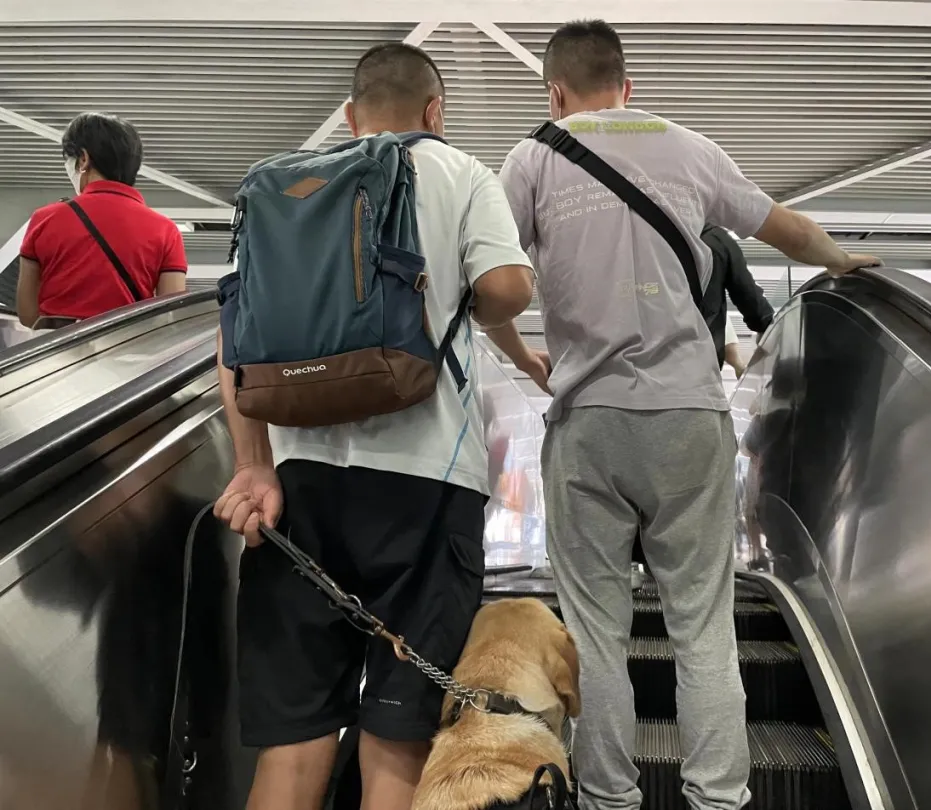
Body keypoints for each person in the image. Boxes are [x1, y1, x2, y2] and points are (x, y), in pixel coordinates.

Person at [490, 20, 880, 810]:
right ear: (627, 86)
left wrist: (524, 358)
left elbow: (491, 282)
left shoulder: (531, 158)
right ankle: (719, 798)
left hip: (588, 419)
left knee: (596, 634)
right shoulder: (688, 147)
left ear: (554, 92)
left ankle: (608, 798)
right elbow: (787, 229)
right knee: (702, 628)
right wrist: (842, 259)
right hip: (689, 419)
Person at [212, 43, 534, 810]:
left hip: (297, 490)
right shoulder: (461, 173)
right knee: (397, 744)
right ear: (436, 111)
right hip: (426, 487)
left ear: (351, 117)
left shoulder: (287, 187)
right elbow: (506, 287)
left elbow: (233, 338)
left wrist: (254, 464)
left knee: (293, 749)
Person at [16, 112, 187, 328]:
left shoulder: (45, 219)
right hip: (129, 344)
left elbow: (27, 313)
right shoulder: (166, 231)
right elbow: (171, 314)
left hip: (58, 345)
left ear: (83, 159)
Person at [699, 223, 774, 376]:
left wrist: (738, 364)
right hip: (700, 363)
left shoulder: (649, 236)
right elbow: (746, 292)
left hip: (650, 366)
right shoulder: (714, 239)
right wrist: (765, 324)